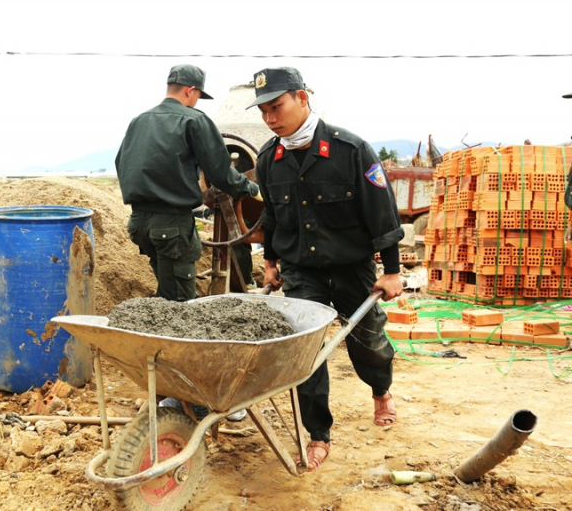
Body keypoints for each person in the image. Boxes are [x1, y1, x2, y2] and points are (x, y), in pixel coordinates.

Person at [249, 67, 404, 471]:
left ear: (302, 98)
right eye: (263, 110)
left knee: (367, 341)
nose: (270, 118)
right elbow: (272, 215)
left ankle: (381, 389)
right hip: (302, 271)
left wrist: (391, 270)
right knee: (306, 353)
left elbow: (381, 211)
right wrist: (269, 262)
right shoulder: (269, 158)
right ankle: (317, 434)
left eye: (276, 107)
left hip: (352, 267)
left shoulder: (350, 150)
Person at [115, 64, 261, 302]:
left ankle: (156, 332)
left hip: (139, 224)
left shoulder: (139, 121)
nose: (196, 102)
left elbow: (122, 162)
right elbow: (221, 174)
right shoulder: (194, 120)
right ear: (190, 91)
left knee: (167, 290)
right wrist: (251, 189)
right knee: (180, 302)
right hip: (172, 228)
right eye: (198, 97)